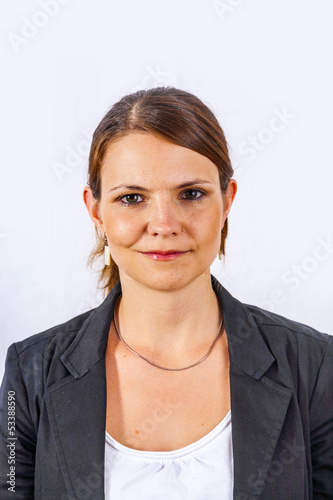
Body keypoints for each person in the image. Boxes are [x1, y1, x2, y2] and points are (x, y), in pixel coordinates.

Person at [0, 87, 332, 500]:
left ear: (227, 201)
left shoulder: (316, 367)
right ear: (96, 211)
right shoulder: (30, 374)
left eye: (191, 194)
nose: (164, 224)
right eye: (132, 198)